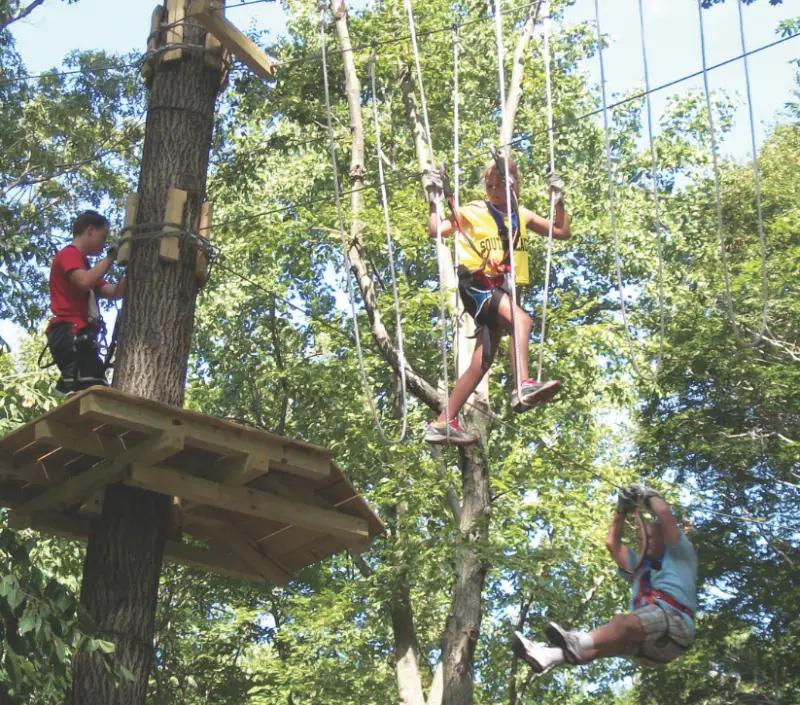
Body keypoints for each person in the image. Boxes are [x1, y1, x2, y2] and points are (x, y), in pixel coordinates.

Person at [422, 158, 571, 445]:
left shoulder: (522, 215)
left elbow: (562, 232)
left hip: (499, 289)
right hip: (477, 283)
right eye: (488, 185)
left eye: (498, 185)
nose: (492, 190)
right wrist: (433, 199)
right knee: (522, 321)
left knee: (484, 360)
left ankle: (443, 422)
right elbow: (436, 229)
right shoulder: (475, 210)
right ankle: (523, 386)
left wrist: (559, 200)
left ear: (512, 185)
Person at [512, 486, 698, 671]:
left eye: (649, 537)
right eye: (640, 539)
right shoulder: (638, 565)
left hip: (675, 625)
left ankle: (574, 640)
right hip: (648, 649)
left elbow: (664, 513)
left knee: (622, 623)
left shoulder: (678, 555)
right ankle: (548, 656)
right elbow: (612, 545)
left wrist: (647, 495)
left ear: (663, 539)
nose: (644, 542)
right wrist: (621, 510)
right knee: (596, 648)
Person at [46, 210, 124, 395]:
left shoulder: (86, 266)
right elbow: (84, 281)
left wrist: (133, 268)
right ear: (90, 230)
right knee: (97, 393)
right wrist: (111, 257)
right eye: (103, 236)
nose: (104, 242)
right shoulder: (69, 254)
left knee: (90, 390)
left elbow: (114, 292)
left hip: (79, 337)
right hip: (69, 333)